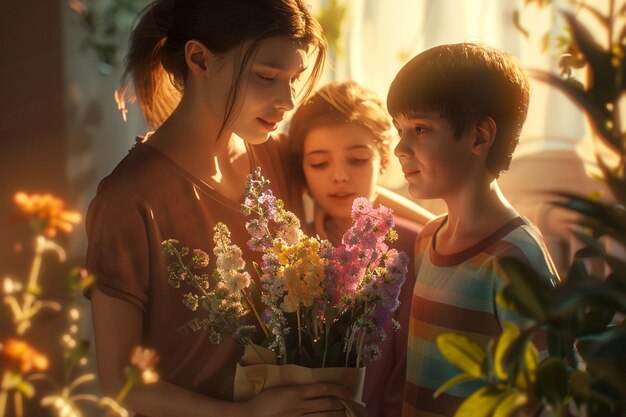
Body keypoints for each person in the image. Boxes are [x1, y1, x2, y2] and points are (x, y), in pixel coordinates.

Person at [84, 1, 359, 416]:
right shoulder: (129, 199)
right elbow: (122, 383)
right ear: (199, 59)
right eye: (266, 77)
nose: (287, 101)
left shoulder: (276, 157)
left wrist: (458, 231)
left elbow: (365, 203)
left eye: (294, 80)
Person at [387, 43, 560, 417]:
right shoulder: (427, 240)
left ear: (479, 137)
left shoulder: (514, 258)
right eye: (398, 129)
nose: (400, 148)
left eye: (419, 129)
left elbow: (549, 397)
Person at [285, 80, 429, 417]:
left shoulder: (416, 245)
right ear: (302, 174)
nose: (339, 175)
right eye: (319, 163)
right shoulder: (290, 252)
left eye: (358, 159)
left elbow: (412, 371)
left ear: (382, 162)